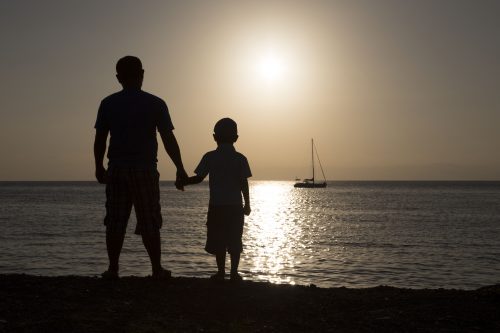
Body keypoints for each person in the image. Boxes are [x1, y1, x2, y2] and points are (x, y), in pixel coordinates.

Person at [93, 55, 188, 279]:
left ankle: (113, 269)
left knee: (115, 220)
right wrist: (180, 168)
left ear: (118, 78)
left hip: (116, 168)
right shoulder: (155, 103)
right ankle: (156, 269)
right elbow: (168, 139)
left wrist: (98, 166)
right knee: (149, 220)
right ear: (142, 74)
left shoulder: (108, 103)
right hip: (144, 169)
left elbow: (100, 139)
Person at [182, 118, 251, 281]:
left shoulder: (210, 156)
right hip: (235, 206)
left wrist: (183, 181)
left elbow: (198, 178)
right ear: (236, 138)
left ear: (214, 137)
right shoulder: (240, 158)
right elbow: (244, 183)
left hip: (217, 207)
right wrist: (247, 204)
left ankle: (221, 272)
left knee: (218, 239)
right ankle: (234, 273)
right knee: (235, 238)